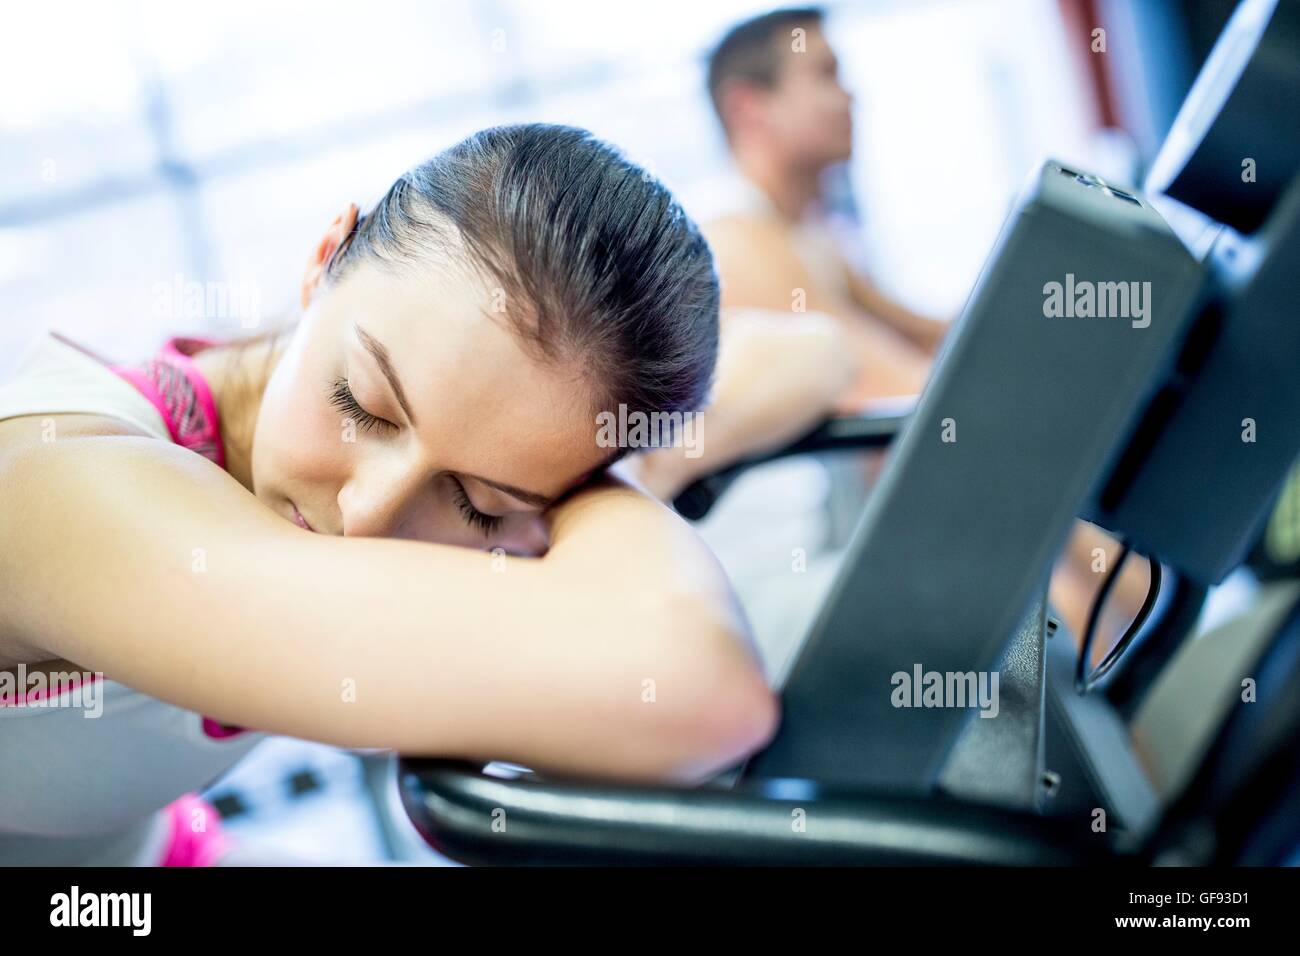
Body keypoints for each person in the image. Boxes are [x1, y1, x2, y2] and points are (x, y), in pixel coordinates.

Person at [0, 124, 778, 865]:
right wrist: (612, 486)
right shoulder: (55, 481)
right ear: (324, 260)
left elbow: (804, 351)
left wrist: (596, 475)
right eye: (362, 406)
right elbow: (698, 691)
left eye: (476, 502)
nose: (370, 517)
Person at [701, 6, 949, 408]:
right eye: (826, 74)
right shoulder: (737, 242)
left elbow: (916, 331)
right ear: (748, 109)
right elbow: (896, 386)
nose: (850, 95)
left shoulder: (804, 232)